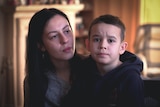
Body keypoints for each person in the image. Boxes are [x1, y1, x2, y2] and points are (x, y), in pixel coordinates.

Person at [24, 8, 83, 107]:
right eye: (54, 36)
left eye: (67, 31)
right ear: (41, 45)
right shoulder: (34, 81)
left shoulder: (91, 67)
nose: (65, 40)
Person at [81, 14, 144, 107]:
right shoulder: (82, 71)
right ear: (88, 44)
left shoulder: (131, 78)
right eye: (97, 39)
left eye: (110, 41)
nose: (103, 45)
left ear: (122, 48)